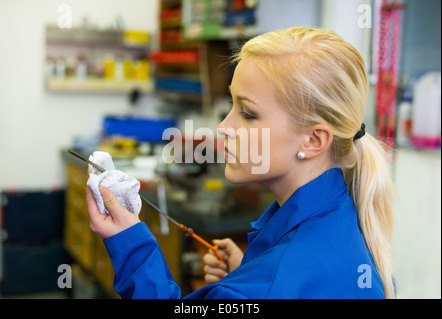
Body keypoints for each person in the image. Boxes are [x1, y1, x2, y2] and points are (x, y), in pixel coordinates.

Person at [86, 27, 395, 299]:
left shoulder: (273, 283)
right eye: (232, 104)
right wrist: (250, 270)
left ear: (312, 141)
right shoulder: (343, 216)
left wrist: (129, 244)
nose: (223, 128)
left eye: (248, 114)